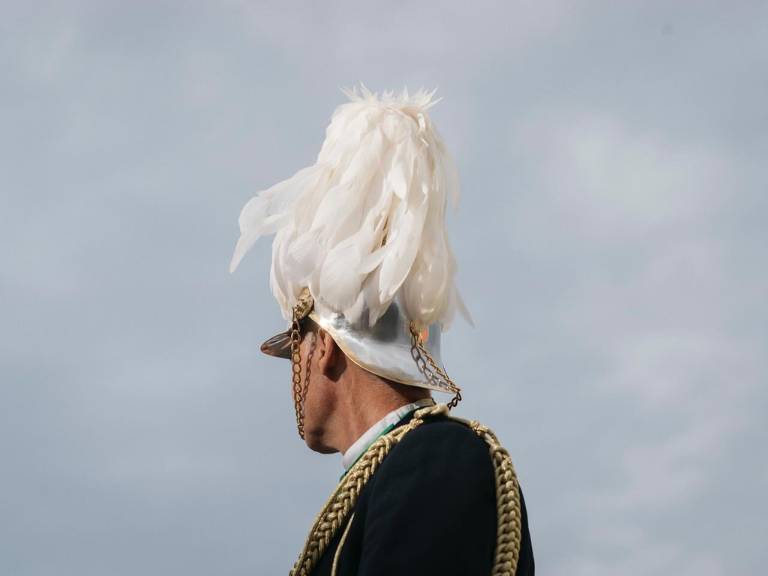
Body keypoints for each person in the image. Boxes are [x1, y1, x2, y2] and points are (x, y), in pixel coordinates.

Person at [230, 83, 534, 575]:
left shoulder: (437, 458)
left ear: (324, 347)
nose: (294, 371)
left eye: (296, 349)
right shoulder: (395, 473)